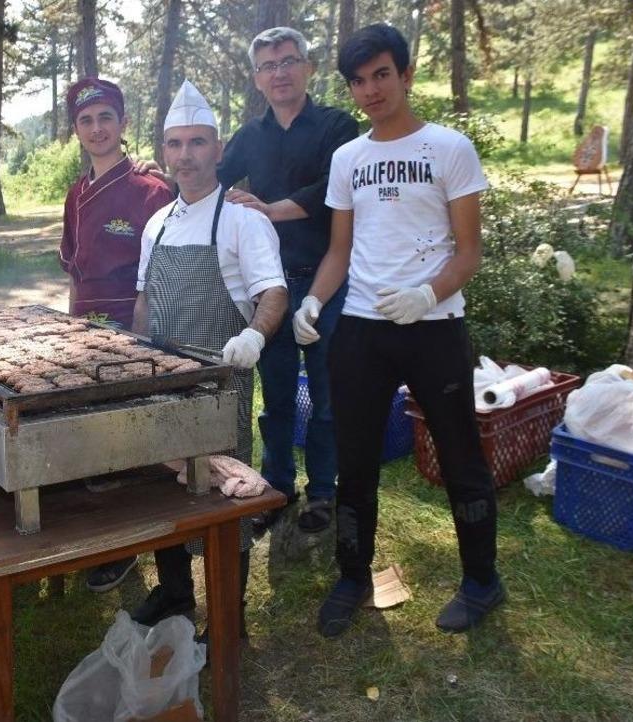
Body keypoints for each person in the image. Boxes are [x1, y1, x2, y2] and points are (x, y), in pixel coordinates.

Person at [293, 24, 504, 637]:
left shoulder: (449, 148)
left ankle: (482, 580)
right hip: (360, 329)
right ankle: (353, 576)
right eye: (358, 80)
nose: (370, 89)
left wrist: (427, 293)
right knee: (354, 462)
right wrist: (313, 301)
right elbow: (339, 250)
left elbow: (468, 253)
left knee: (460, 455)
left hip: (434, 327)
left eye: (382, 74)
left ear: (407, 74)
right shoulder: (348, 158)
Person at [129, 81, 288, 643]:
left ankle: (229, 616)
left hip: (223, 384)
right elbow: (146, 297)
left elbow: (274, 291)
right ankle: (176, 596)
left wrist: (254, 335)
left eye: (197, 143)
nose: (185, 155)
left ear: (219, 150)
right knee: (165, 488)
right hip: (164, 381)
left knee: (228, 494)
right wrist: (136, 351)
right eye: (175, 144)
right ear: (165, 151)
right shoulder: (157, 223)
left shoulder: (245, 220)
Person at [216, 27, 359, 536]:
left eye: (289, 61)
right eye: (269, 65)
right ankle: (276, 487)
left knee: (326, 395)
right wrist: (162, 173)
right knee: (274, 397)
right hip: (270, 289)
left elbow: (336, 188)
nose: (279, 73)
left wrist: (271, 209)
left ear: (309, 68)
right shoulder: (249, 137)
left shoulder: (338, 127)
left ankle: (323, 491)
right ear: (257, 78)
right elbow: (213, 180)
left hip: (327, 281)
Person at [60, 77, 175, 594]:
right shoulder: (75, 194)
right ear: (76, 131)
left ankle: (129, 544)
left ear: (123, 124)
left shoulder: (152, 190)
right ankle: (97, 536)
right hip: (84, 324)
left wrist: (143, 339)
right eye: (86, 121)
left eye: (106, 117)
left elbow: (161, 275)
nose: (97, 128)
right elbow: (73, 271)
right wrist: (68, 326)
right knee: (91, 438)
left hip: (131, 326)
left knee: (131, 439)